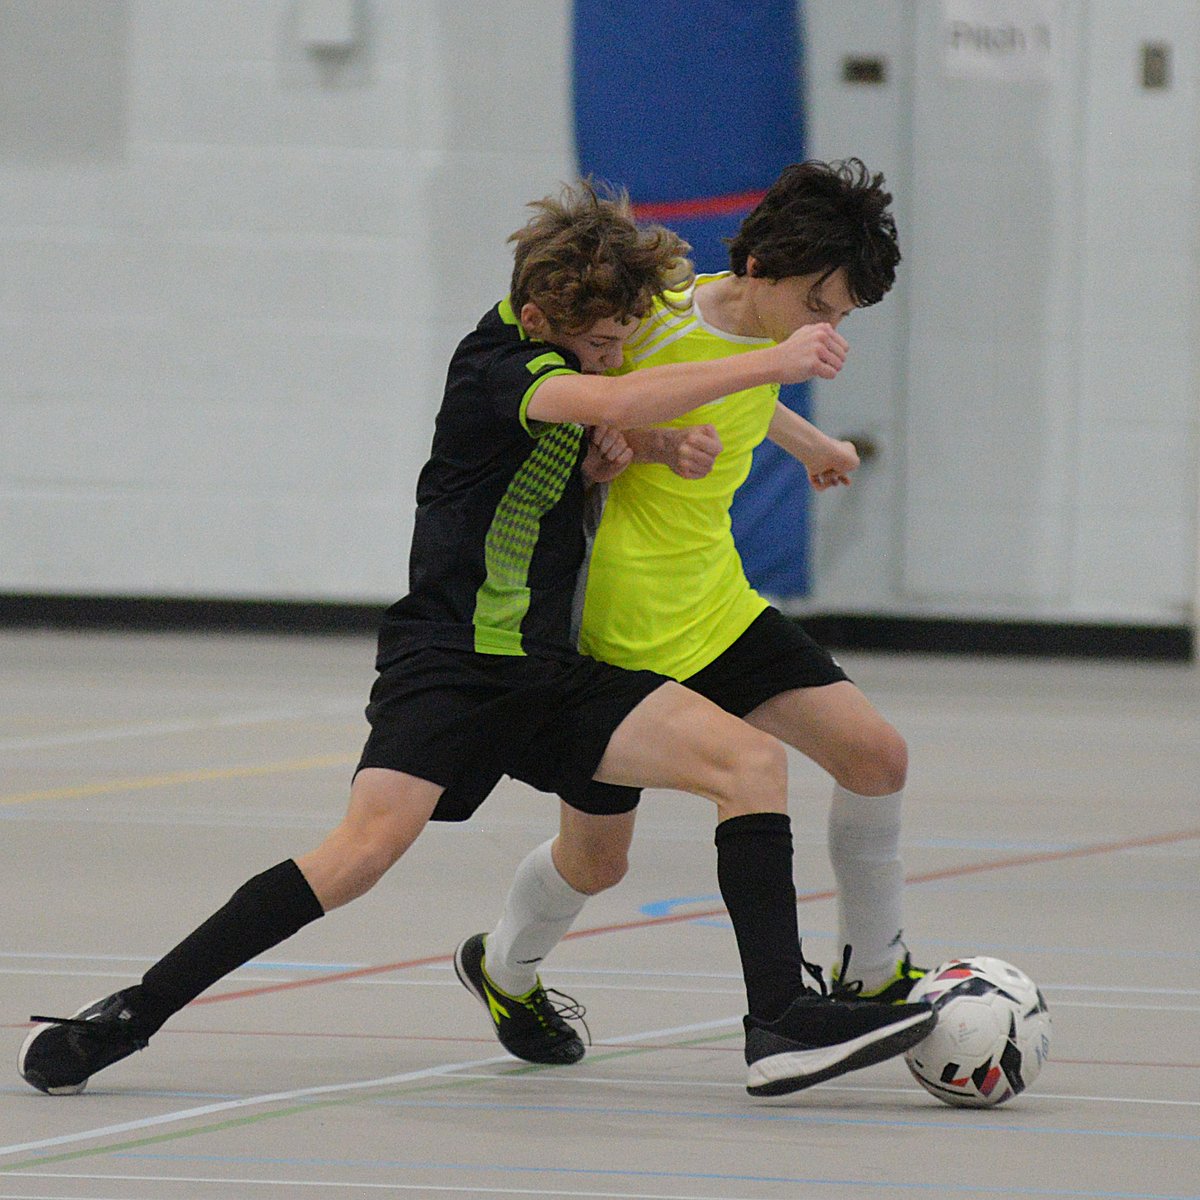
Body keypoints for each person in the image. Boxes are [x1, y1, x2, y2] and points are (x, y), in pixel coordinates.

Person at [18, 181, 934, 1101]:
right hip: (453, 663)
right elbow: (625, 392)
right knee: (360, 855)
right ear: (541, 318)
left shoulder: (579, 353)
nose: (616, 361)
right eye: (603, 347)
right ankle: (134, 1011)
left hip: (550, 666)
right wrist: (764, 369)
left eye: (625, 342)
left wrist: (654, 447)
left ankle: (779, 1021)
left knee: (746, 766)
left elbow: (625, 409)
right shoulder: (502, 368)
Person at [458, 160, 928, 1069]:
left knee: (876, 755)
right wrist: (651, 443)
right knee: (596, 862)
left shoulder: (755, 330)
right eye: (821, 305)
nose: (828, 329)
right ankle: (504, 968)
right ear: (763, 269)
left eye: (841, 317)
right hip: (617, 626)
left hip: (713, 601)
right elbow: (605, 414)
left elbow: (738, 382)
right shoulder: (652, 320)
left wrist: (806, 440)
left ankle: (874, 975)